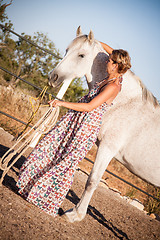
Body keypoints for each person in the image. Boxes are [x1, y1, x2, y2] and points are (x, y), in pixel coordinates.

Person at [16, 42, 131, 217]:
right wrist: (95, 42)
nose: (106, 62)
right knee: (51, 148)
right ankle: (30, 187)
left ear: (115, 65)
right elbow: (114, 53)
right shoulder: (116, 75)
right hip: (77, 123)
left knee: (64, 162)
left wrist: (61, 103)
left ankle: (44, 199)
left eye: (109, 61)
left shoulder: (113, 86)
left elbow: (89, 107)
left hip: (84, 128)